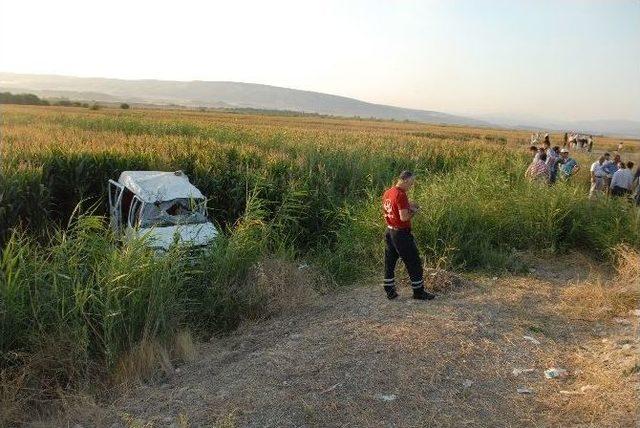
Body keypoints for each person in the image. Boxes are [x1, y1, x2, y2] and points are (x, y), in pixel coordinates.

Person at [382, 171, 435, 301]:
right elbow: (404, 217)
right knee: (414, 261)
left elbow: (394, 208)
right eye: (411, 183)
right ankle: (418, 292)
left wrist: (408, 205)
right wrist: (414, 211)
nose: (411, 186)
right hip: (401, 233)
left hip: (390, 231)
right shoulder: (401, 194)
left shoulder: (388, 192)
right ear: (405, 180)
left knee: (390, 262)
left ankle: (389, 290)